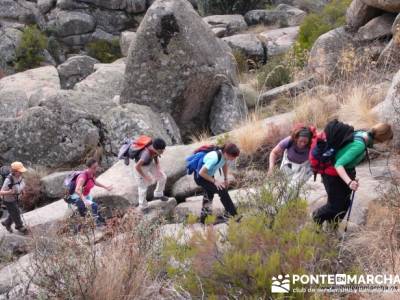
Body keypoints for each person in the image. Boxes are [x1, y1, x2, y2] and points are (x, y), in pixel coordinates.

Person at [312, 123, 393, 227]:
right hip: (332, 174)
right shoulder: (360, 145)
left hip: (343, 173)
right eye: (385, 142)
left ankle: (332, 228)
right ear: (381, 139)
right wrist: (350, 182)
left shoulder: (362, 134)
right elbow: (339, 164)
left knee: (344, 204)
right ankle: (316, 217)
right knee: (335, 206)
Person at [195, 143, 241, 224]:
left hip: (208, 175)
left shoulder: (224, 156)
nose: (233, 159)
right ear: (226, 153)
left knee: (209, 194)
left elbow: (224, 165)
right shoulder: (215, 157)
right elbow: (201, 172)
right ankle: (233, 215)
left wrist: (225, 178)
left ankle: (204, 219)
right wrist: (215, 181)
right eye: (233, 157)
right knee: (222, 190)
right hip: (201, 177)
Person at [69, 158, 112, 226]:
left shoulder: (91, 174)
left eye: (96, 167)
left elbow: (94, 182)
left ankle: (102, 223)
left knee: (87, 213)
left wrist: (106, 187)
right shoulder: (83, 177)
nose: (96, 169)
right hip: (77, 198)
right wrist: (84, 200)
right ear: (88, 168)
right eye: (94, 167)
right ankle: (99, 225)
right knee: (94, 206)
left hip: (86, 196)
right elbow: (77, 190)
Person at [134, 138, 168, 212]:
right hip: (142, 167)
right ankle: (143, 206)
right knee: (143, 187)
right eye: (161, 151)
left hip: (150, 163)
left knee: (163, 177)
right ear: (156, 149)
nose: (162, 152)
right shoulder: (146, 154)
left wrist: (158, 168)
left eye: (163, 150)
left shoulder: (155, 150)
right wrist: (145, 177)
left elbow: (156, 157)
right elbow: (137, 167)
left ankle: (158, 194)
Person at [0, 162, 28, 234]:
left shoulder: (20, 177)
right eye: (20, 171)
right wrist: (9, 192)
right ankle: (20, 226)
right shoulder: (8, 180)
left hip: (16, 197)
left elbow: (21, 184)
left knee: (14, 212)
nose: (22, 172)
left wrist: (23, 191)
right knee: (16, 212)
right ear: (15, 171)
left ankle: (7, 223)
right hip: (8, 200)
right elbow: (1, 192)